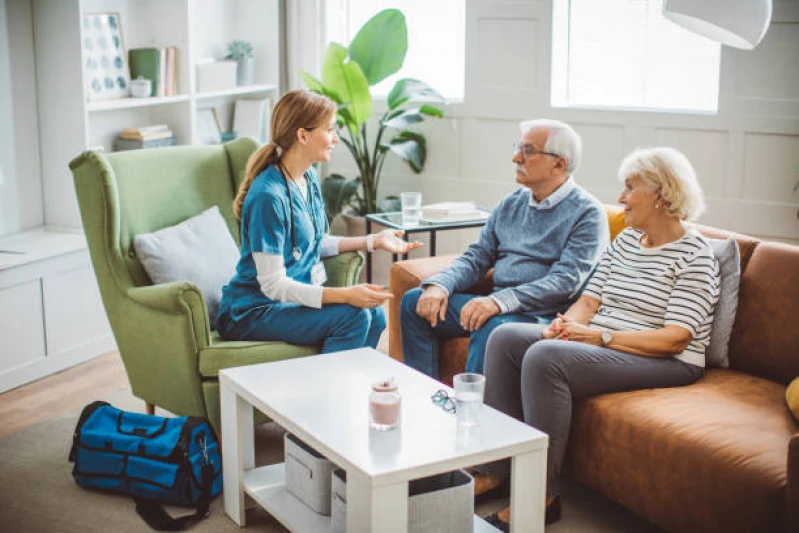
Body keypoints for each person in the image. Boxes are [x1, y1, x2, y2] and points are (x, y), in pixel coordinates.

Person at [480, 147, 721, 530]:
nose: (621, 198)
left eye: (630, 188)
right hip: (606, 338)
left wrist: (598, 337)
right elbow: (589, 299)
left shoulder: (695, 255)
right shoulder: (626, 241)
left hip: (664, 359)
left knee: (546, 358)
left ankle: (540, 495)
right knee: (506, 336)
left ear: (662, 194)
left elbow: (676, 339)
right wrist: (564, 325)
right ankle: (493, 468)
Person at [399, 119, 609, 377]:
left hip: (542, 316)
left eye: (528, 151)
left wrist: (498, 302)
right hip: (497, 306)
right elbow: (477, 257)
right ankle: (424, 396)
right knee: (414, 302)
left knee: (493, 326)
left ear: (559, 163)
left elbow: (565, 281)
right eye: (517, 148)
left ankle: (472, 412)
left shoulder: (588, 213)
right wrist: (440, 285)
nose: (515, 158)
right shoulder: (512, 202)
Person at [216, 90, 421, 353]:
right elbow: (273, 285)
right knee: (354, 316)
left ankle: (348, 386)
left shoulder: (308, 177)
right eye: (330, 130)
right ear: (302, 135)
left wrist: (374, 241)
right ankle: (325, 391)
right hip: (253, 310)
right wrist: (346, 294)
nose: (335, 138)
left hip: (286, 304)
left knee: (376, 316)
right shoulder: (268, 196)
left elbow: (312, 241)